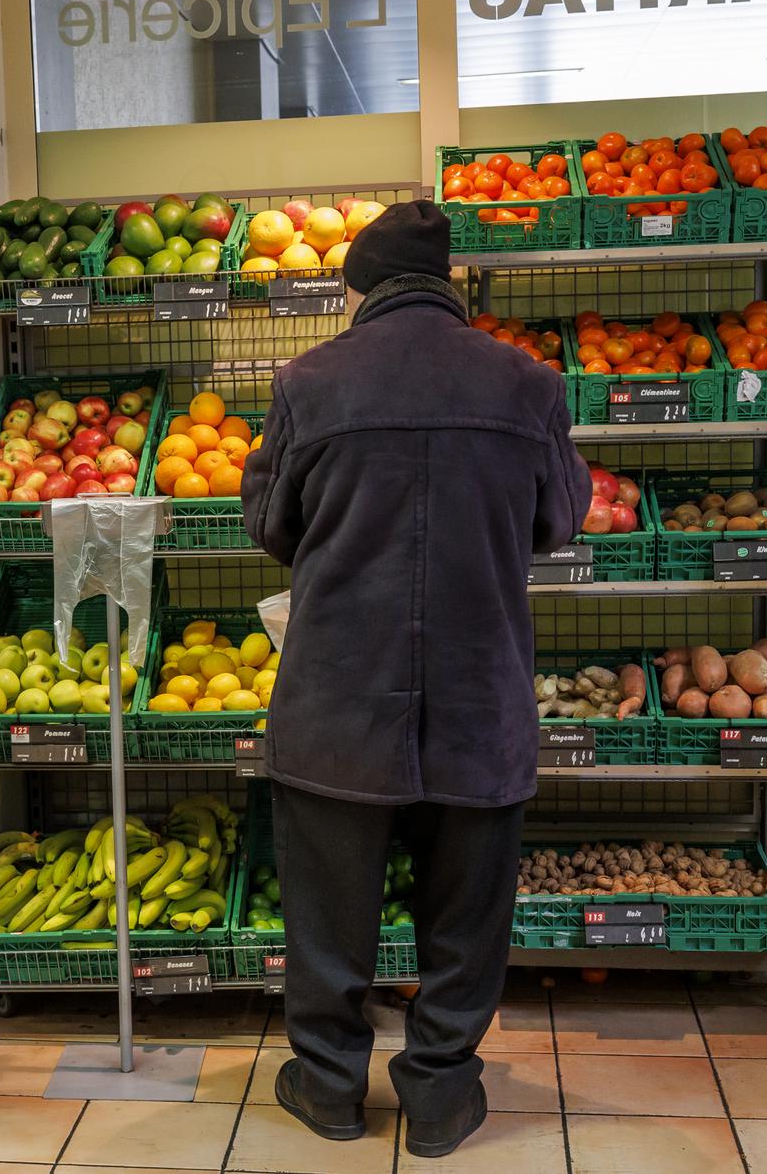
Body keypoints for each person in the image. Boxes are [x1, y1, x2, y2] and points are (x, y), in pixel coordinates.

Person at [240, 200, 590, 1159]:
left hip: (338, 695)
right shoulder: (528, 386)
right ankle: (439, 1090)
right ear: (451, 286)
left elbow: (270, 523)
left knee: (327, 911)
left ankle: (328, 1087)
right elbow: (560, 516)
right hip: (482, 692)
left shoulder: (309, 383)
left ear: (359, 287)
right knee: (467, 912)